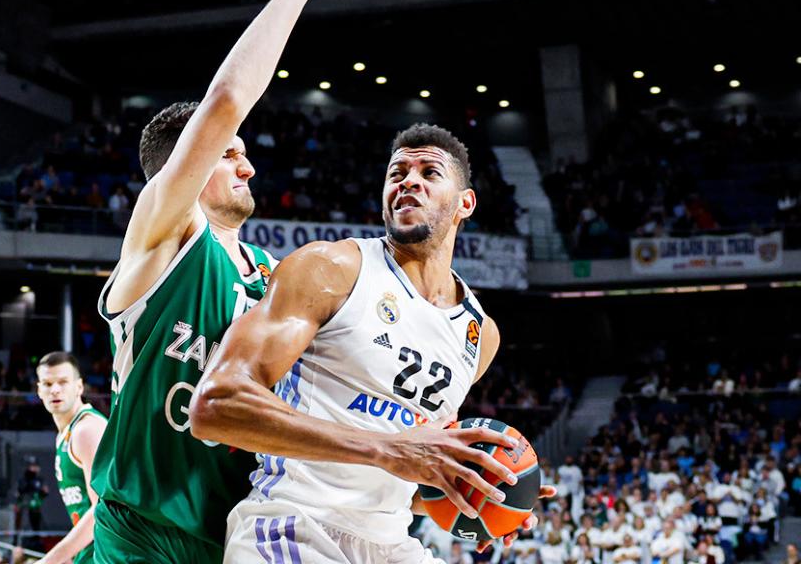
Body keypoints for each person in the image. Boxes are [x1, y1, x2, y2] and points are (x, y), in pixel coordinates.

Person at [190, 124, 552, 563]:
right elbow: (216, 405)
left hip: (391, 543)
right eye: (397, 172)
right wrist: (387, 449)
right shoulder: (331, 269)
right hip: (293, 525)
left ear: (465, 204)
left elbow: (407, 476)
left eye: (429, 173)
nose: (408, 181)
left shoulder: (480, 335)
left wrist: (483, 495)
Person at [90, 0, 320, 562]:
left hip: (239, 532)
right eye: (227, 153)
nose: (248, 164)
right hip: (144, 529)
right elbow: (225, 102)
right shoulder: (165, 236)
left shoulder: (275, 276)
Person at [33, 353, 106, 564]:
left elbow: (102, 509)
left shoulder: (87, 429)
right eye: (47, 383)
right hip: (93, 552)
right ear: (39, 391)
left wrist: (49, 560)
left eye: (63, 382)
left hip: (110, 554)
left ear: (79, 387)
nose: (55, 389)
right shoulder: (65, 435)